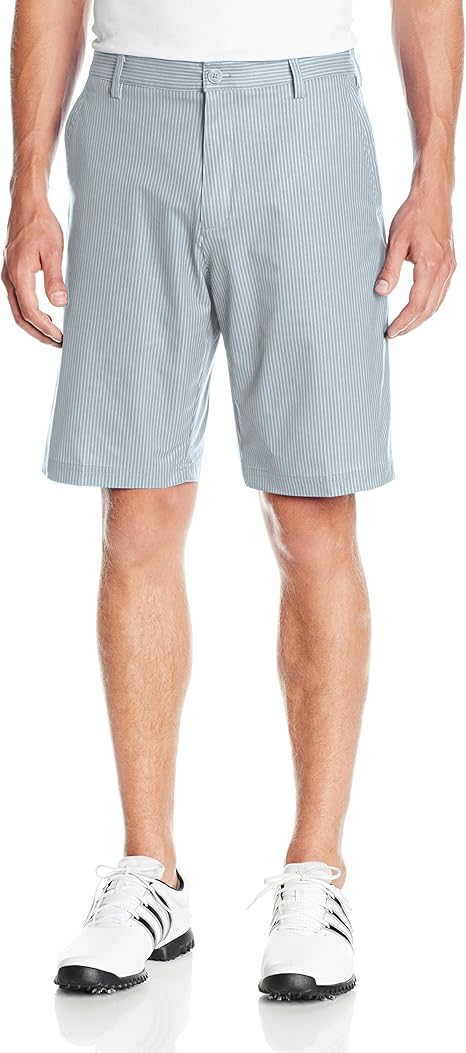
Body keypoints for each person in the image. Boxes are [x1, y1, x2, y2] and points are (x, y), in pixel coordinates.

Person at [2, 0, 462, 1000]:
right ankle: (149, 870)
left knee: (313, 512)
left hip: (306, 116)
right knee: (138, 509)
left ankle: (316, 872)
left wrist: (435, 178)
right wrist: (27, 184)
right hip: (131, 116)